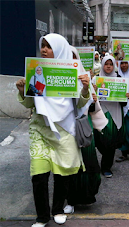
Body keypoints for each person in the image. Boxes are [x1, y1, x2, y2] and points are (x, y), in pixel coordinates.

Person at [15, 33, 91, 227]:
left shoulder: (72, 72)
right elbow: (29, 103)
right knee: (39, 175)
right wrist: (22, 91)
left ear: (58, 48)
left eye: (49, 46)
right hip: (40, 129)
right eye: (43, 46)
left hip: (65, 129)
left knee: (62, 173)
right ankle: (42, 216)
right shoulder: (37, 71)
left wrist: (84, 89)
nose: (44, 50)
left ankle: (58, 209)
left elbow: (81, 104)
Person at [63, 46, 108, 214]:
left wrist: (93, 98)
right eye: (67, 57)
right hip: (65, 129)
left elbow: (92, 109)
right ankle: (70, 200)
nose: (71, 61)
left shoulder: (84, 79)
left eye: (74, 57)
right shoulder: (55, 79)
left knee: (89, 166)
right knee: (69, 167)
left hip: (83, 128)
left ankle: (87, 195)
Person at [93, 55, 126, 178]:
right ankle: (103, 160)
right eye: (106, 64)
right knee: (100, 141)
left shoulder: (119, 79)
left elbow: (123, 103)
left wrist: (125, 96)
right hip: (100, 113)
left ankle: (106, 166)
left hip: (114, 115)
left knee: (111, 142)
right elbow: (90, 100)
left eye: (111, 64)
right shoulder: (96, 79)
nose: (108, 66)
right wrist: (93, 91)